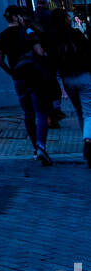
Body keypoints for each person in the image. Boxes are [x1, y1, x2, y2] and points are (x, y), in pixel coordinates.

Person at [0, 5, 52, 164]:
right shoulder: (28, 32)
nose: (22, 19)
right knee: (40, 112)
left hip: (18, 78)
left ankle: (35, 147)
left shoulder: (0, 36)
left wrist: (12, 73)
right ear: (15, 17)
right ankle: (41, 146)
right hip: (34, 76)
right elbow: (40, 52)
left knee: (28, 113)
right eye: (20, 16)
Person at [50, 10, 91, 167]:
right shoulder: (75, 34)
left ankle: (87, 140)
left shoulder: (53, 38)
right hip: (84, 75)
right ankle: (88, 141)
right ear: (66, 19)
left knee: (81, 112)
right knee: (89, 112)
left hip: (68, 79)